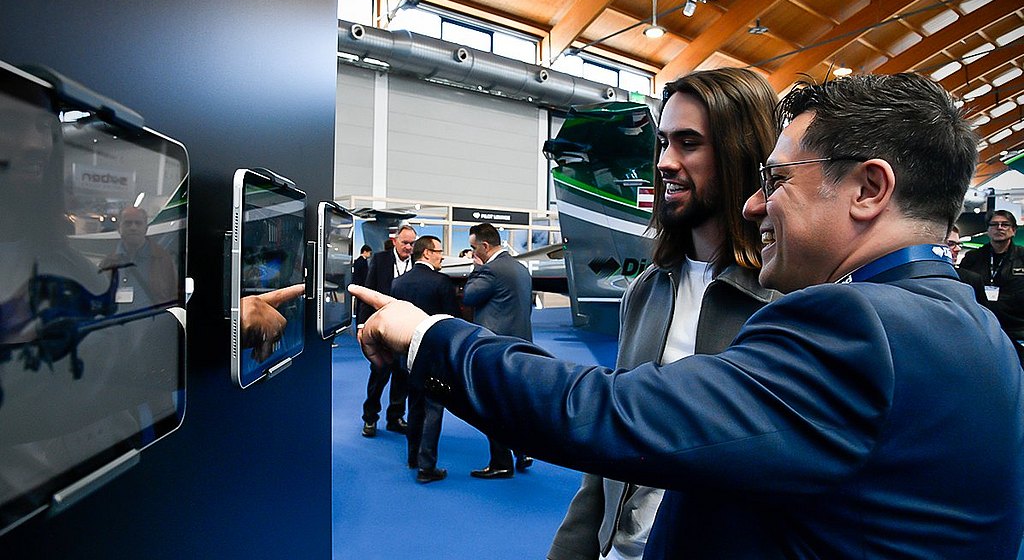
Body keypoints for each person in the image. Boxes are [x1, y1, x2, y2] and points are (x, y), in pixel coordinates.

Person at [352, 73, 1024, 558]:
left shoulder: (852, 326)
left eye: (778, 181)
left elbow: (613, 416)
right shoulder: (972, 326)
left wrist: (428, 337)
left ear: (870, 189)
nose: (759, 206)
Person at [548, 68, 780, 560]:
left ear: (741, 155)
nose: (664, 163)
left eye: (688, 144)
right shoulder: (646, 291)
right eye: (662, 142)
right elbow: (611, 439)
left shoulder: (787, 302)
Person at [463, 222, 533, 479]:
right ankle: (523, 450)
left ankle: (501, 463)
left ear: (484, 246)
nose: (472, 253)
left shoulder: (490, 270)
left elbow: (469, 296)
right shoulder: (520, 268)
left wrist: (475, 269)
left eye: (473, 248)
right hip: (522, 346)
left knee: (491, 405)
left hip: (495, 349)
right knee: (515, 402)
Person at [390, 235, 458, 483]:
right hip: (433, 355)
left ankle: (412, 457)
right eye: (439, 251)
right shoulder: (442, 283)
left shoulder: (398, 283)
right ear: (427, 253)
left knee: (414, 404)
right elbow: (452, 321)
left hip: (406, 353)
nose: (442, 256)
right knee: (434, 408)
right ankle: (426, 466)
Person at [356, 225, 416, 438]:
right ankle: (370, 418)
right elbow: (367, 292)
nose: (408, 247)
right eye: (405, 243)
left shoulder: (417, 263)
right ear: (395, 241)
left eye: (412, 243)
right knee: (379, 375)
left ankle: (395, 417)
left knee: (402, 376)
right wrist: (362, 326)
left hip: (406, 331)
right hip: (381, 330)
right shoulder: (380, 260)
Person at [959, 210, 1024, 363]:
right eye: (994, 224)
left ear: (1013, 230)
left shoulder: (1022, 257)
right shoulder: (972, 258)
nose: (999, 228)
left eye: (1005, 224)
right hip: (982, 328)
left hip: (1017, 329)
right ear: (987, 230)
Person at [99, 206, 177, 310]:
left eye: (138, 223)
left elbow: (175, 296)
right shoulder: (108, 263)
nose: (133, 227)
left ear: (146, 228)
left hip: (154, 324)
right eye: (128, 223)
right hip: (117, 324)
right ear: (119, 228)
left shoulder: (162, 259)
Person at [946, 224, 985, 304]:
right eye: (950, 244)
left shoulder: (971, 280)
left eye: (958, 244)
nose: (958, 249)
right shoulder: (915, 275)